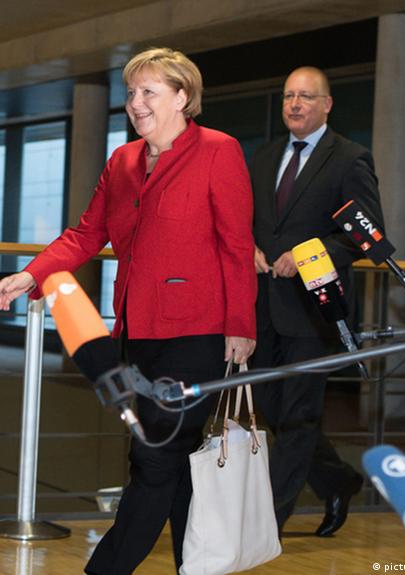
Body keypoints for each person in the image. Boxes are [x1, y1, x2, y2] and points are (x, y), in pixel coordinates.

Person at [0, 47, 257, 574]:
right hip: (136, 331)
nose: (136, 103)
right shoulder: (122, 161)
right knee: (176, 459)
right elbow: (86, 233)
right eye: (132, 93)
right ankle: (196, 565)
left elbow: (236, 245)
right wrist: (33, 273)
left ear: (182, 97)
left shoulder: (219, 151)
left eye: (149, 92)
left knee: (154, 455)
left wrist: (241, 326)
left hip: (199, 332)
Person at [250, 66, 384, 537]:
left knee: (299, 416)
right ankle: (337, 480)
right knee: (274, 410)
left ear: (326, 105)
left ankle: (266, 523)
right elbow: (248, 219)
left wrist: (309, 255)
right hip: (263, 306)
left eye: (306, 96)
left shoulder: (350, 158)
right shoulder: (264, 156)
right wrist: (248, 247)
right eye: (289, 95)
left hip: (314, 309)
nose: (295, 104)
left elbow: (367, 235)